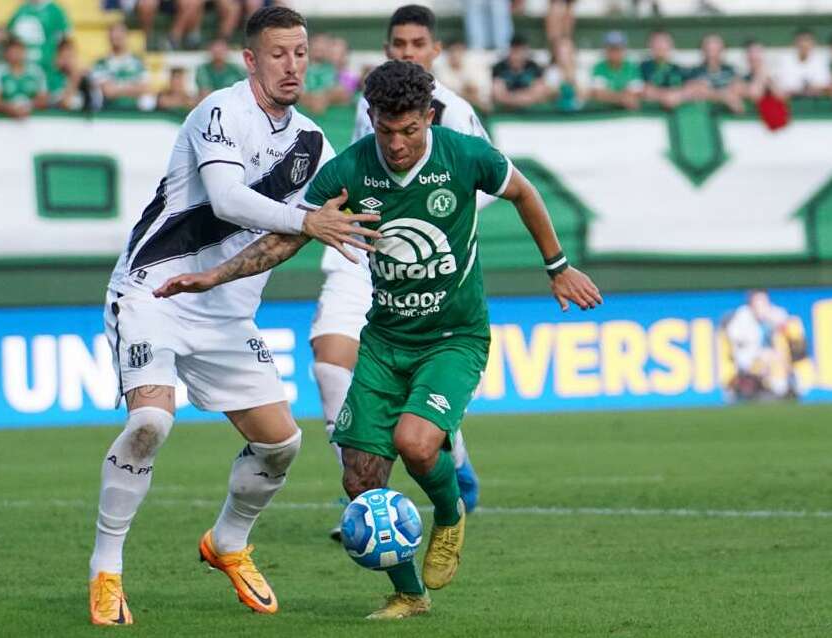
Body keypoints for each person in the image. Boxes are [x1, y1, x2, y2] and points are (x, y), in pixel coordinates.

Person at [154, 59, 602, 620]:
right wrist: (215, 275)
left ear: (429, 117)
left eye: (409, 131)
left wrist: (557, 266)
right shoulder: (350, 170)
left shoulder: (464, 156)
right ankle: (410, 594)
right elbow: (289, 237)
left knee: (417, 444)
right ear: (372, 118)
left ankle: (450, 512)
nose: (396, 144)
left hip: (454, 337)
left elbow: (525, 193)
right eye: (386, 131)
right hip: (386, 342)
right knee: (360, 476)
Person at [87, 6, 380, 625]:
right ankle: (106, 570)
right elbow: (226, 199)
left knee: (281, 445)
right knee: (150, 422)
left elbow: (284, 242)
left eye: (300, 53)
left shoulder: (314, 146)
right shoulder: (220, 112)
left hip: (225, 312)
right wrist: (308, 218)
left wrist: (264, 252)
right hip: (154, 292)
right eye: (278, 54)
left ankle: (227, 543)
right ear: (250, 59)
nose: (292, 65)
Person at [337, 4, 491, 538]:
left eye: (416, 43)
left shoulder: (456, 114)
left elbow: (495, 184)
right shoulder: (369, 105)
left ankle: (449, 465)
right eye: (398, 43)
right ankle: (370, 495)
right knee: (328, 361)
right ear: (386, 48)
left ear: (435, 51)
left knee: (418, 433)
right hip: (361, 254)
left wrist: (426, 214)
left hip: (428, 266)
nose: (407, 51)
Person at [93, 23, 152, 111]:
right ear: (109, 38)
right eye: (114, 35)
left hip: (135, 112)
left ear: (126, 36)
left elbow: (145, 88)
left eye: (119, 35)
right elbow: (108, 92)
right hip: (109, 112)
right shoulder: (100, 64)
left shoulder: (138, 63)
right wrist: (133, 88)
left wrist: (117, 88)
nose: (116, 38)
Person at [0, 37, 49, 119]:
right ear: (6, 53)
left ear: (24, 52)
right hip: (4, 123)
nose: (16, 54)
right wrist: (9, 108)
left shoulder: (36, 72)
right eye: (12, 50)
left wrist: (28, 107)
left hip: (32, 121)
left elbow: (43, 99)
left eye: (19, 50)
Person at [684, 33, 745, 114]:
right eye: (708, 48)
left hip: (730, 117)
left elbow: (739, 90)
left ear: (723, 50)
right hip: (703, 116)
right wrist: (723, 96)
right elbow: (693, 90)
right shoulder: (694, 72)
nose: (712, 52)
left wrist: (709, 92)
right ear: (702, 50)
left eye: (715, 48)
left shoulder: (732, 71)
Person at [6, 0, 71, 70]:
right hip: (24, 68)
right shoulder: (21, 9)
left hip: (47, 65)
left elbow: (64, 40)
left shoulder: (54, 10)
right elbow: (9, 34)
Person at [492, 33, 549, 110]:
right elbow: (498, 95)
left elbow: (540, 93)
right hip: (506, 112)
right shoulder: (499, 68)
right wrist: (525, 97)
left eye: (520, 51)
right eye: (515, 51)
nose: (517, 55)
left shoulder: (534, 67)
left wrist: (511, 98)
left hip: (531, 112)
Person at [590, 30, 642, 110]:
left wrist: (611, 96)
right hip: (604, 114)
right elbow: (598, 93)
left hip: (629, 117)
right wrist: (622, 98)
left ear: (624, 49)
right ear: (606, 49)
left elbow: (636, 93)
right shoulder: (599, 67)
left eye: (618, 48)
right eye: (611, 48)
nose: (614, 52)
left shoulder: (632, 68)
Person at [775, 29, 831, 98]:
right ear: (795, 43)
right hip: (790, 100)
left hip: (817, 100)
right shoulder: (785, 59)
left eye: (807, 40)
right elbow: (781, 85)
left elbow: (825, 84)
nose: (804, 44)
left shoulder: (820, 59)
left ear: (813, 43)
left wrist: (813, 88)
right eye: (801, 41)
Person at [639, 30, 685, 109]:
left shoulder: (678, 69)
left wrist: (679, 94)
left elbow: (691, 89)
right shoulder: (642, 67)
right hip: (649, 114)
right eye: (656, 42)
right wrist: (666, 96)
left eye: (664, 42)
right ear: (650, 45)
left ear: (671, 45)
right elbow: (642, 90)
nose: (660, 46)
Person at [543, 36, 588, 111]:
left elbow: (584, 95)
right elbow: (549, 95)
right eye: (560, 53)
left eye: (567, 52)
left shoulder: (582, 71)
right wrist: (563, 80)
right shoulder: (551, 71)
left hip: (580, 113)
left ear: (573, 53)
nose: (564, 56)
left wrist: (572, 80)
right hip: (557, 112)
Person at [46, 37, 86, 110]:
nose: (68, 61)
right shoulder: (51, 78)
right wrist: (74, 79)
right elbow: (65, 104)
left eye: (71, 56)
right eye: (65, 56)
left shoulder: (85, 79)